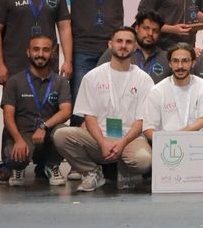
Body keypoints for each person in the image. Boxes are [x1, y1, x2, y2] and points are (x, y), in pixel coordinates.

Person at [0, 0, 75, 182]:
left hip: (47, 62)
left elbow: (64, 28)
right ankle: (7, 166)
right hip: (15, 63)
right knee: (13, 115)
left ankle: (45, 165)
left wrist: (68, 60)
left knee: (49, 113)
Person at [52, 26, 153, 192]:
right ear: (110, 44)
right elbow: (89, 117)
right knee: (61, 135)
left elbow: (141, 120)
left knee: (144, 160)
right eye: (119, 41)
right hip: (99, 137)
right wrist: (102, 142)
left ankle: (125, 171)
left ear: (135, 47)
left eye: (128, 42)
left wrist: (122, 143)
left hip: (130, 139)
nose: (123, 45)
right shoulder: (92, 76)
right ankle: (92, 172)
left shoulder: (144, 79)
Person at [0, 34, 72, 186]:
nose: (40, 54)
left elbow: (66, 111)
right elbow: (8, 116)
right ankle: (17, 168)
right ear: (28, 52)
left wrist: (43, 126)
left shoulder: (61, 82)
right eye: (36, 49)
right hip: (23, 134)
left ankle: (51, 166)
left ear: (52, 53)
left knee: (64, 132)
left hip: (47, 132)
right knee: (15, 158)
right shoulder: (14, 81)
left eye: (45, 50)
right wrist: (18, 140)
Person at [141, 43, 203, 136]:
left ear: (193, 63)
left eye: (185, 61)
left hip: (197, 141)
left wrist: (179, 136)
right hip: (166, 142)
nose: (180, 66)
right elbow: (148, 128)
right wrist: (167, 140)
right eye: (175, 61)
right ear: (170, 64)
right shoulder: (157, 91)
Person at [96, 10, 169, 82]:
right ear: (137, 28)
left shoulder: (166, 58)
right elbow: (97, 77)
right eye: (146, 28)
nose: (150, 33)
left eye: (155, 30)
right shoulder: (119, 50)